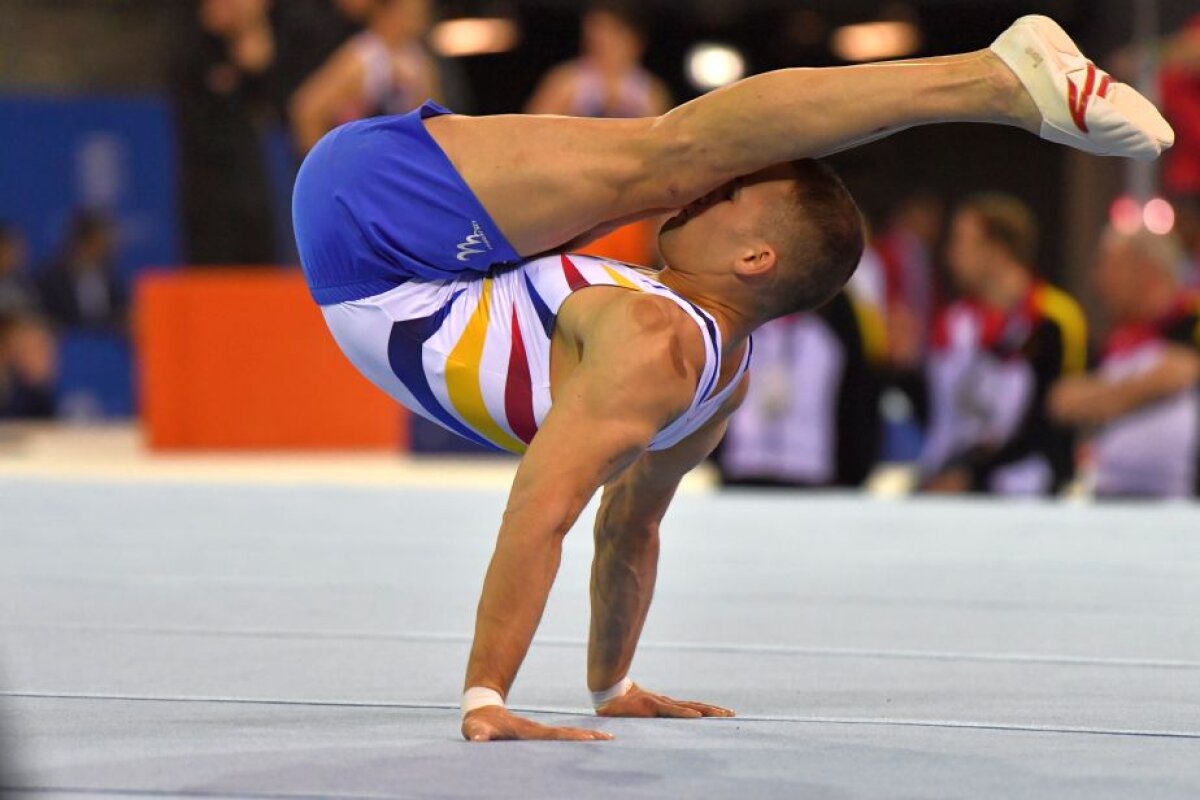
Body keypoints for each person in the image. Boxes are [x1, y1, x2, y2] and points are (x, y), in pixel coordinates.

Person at [291, 15, 1173, 741]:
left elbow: (556, 509)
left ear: (755, 256)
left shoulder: (652, 340)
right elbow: (627, 531)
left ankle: (993, 78)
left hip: (372, 228)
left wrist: (489, 695)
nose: (696, 199)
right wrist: (611, 682)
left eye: (722, 199)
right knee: (669, 156)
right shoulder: (720, 380)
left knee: (673, 150)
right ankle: (995, 79)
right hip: (433, 257)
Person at [919, 194, 1087, 496]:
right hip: (951, 482)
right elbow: (940, 411)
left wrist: (974, 474)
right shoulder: (953, 321)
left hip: (1026, 486)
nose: (950, 254)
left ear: (996, 250)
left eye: (961, 241)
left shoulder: (1054, 318)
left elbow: (1053, 417)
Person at [1050, 229, 1200, 498]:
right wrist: (1140, 389)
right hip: (1108, 492)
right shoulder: (1116, 339)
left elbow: (1180, 373)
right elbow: (1063, 400)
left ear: (1144, 271)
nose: (1099, 281)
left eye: (1109, 267)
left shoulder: (1190, 321)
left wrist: (1103, 399)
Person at [718, 288, 884, 488]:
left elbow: (857, 398)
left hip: (809, 468)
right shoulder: (741, 329)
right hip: (743, 464)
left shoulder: (832, 330)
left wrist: (854, 473)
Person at [173, 0, 281, 265]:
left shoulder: (248, 51)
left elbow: (270, 108)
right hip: (208, 201)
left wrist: (254, 42)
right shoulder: (191, 51)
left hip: (252, 198)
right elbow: (197, 124)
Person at [290, 0, 439, 154]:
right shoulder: (364, 58)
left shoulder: (416, 56)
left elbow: (434, 118)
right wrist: (331, 167)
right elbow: (306, 113)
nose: (425, 9)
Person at [526, 0, 671, 119]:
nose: (601, 40)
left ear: (634, 40)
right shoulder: (565, 83)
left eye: (611, 33)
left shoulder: (651, 94)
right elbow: (532, 134)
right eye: (595, 32)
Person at [36, 211, 127, 332]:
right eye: (100, 243)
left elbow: (118, 315)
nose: (109, 250)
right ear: (82, 242)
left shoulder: (112, 281)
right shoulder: (48, 280)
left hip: (106, 347)